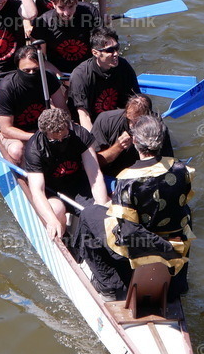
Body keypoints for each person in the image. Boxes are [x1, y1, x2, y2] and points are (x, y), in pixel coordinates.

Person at [73, 114, 193, 299]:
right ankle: (178, 284)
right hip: (176, 239)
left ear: (135, 141)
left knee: (89, 214)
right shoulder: (181, 169)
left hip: (142, 246)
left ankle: (108, 284)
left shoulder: (127, 179)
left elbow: (128, 228)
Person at [23, 108, 109, 242]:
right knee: (55, 211)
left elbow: (95, 174)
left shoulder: (80, 135)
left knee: (101, 208)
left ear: (68, 126)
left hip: (78, 186)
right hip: (52, 191)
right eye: (55, 140)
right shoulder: (34, 149)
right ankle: (64, 241)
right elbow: (37, 191)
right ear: (45, 134)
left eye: (65, 137)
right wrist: (52, 220)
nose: (61, 142)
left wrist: (101, 204)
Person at [0, 45, 67, 163]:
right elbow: (6, 129)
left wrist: (58, 132)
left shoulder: (48, 78)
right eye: (26, 71)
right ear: (18, 68)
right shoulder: (6, 88)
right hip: (14, 132)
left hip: (41, 128)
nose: (32, 73)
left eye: (36, 70)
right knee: (17, 150)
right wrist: (38, 137)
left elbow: (63, 109)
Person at [68, 27, 140, 131]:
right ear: (95, 53)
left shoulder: (123, 66)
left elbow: (135, 101)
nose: (116, 53)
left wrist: (133, 130)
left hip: (113, 120)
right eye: (110, 50)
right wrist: (93, 140)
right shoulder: (80, 76)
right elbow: (84, 116)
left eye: (117, 48)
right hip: (89, 125)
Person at [91, 94, 173, 180]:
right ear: (126, 112)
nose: (132, 126)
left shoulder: (156, 126)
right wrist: (118, 147)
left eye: (138, 122)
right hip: (109, 176)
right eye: (129, 120)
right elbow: (92, 163)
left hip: (143, 175)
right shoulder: (106, 120)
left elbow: (167, 160)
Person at [32, 0, 101, 74]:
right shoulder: (43, 22)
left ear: (76, 2)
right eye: (61, 7)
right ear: (53, 4)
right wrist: (60, 76)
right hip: (59, 72)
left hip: (88, 69)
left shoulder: (90, 12)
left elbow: (101, 47)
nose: (66, 13)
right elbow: (40, 60)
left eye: (70, 6)